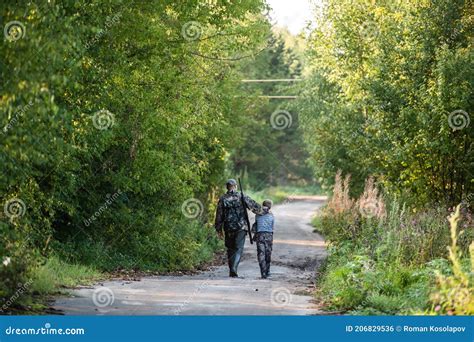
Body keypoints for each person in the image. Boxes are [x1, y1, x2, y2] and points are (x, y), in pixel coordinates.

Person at [215, 179, 261, 277]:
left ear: (227, 187)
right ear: (235, 186)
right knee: (238, 248)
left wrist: (218, 228)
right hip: (241, 227)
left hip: (228, 227)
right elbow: (255, 207)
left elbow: (219, 215)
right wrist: (264, 212)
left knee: (230, 248)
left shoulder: (223, 199)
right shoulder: (241, 196)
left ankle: (232, 269)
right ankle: (233, 269)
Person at [252, 199, 274, 279]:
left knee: (261, 254)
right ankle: (267, 271)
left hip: (260, 235)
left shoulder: (257, 214)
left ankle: (263, 272)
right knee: (268, 253)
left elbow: (256, 224)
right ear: (270, 206)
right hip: (269, 235)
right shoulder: (271, 215)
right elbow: (272, 226)